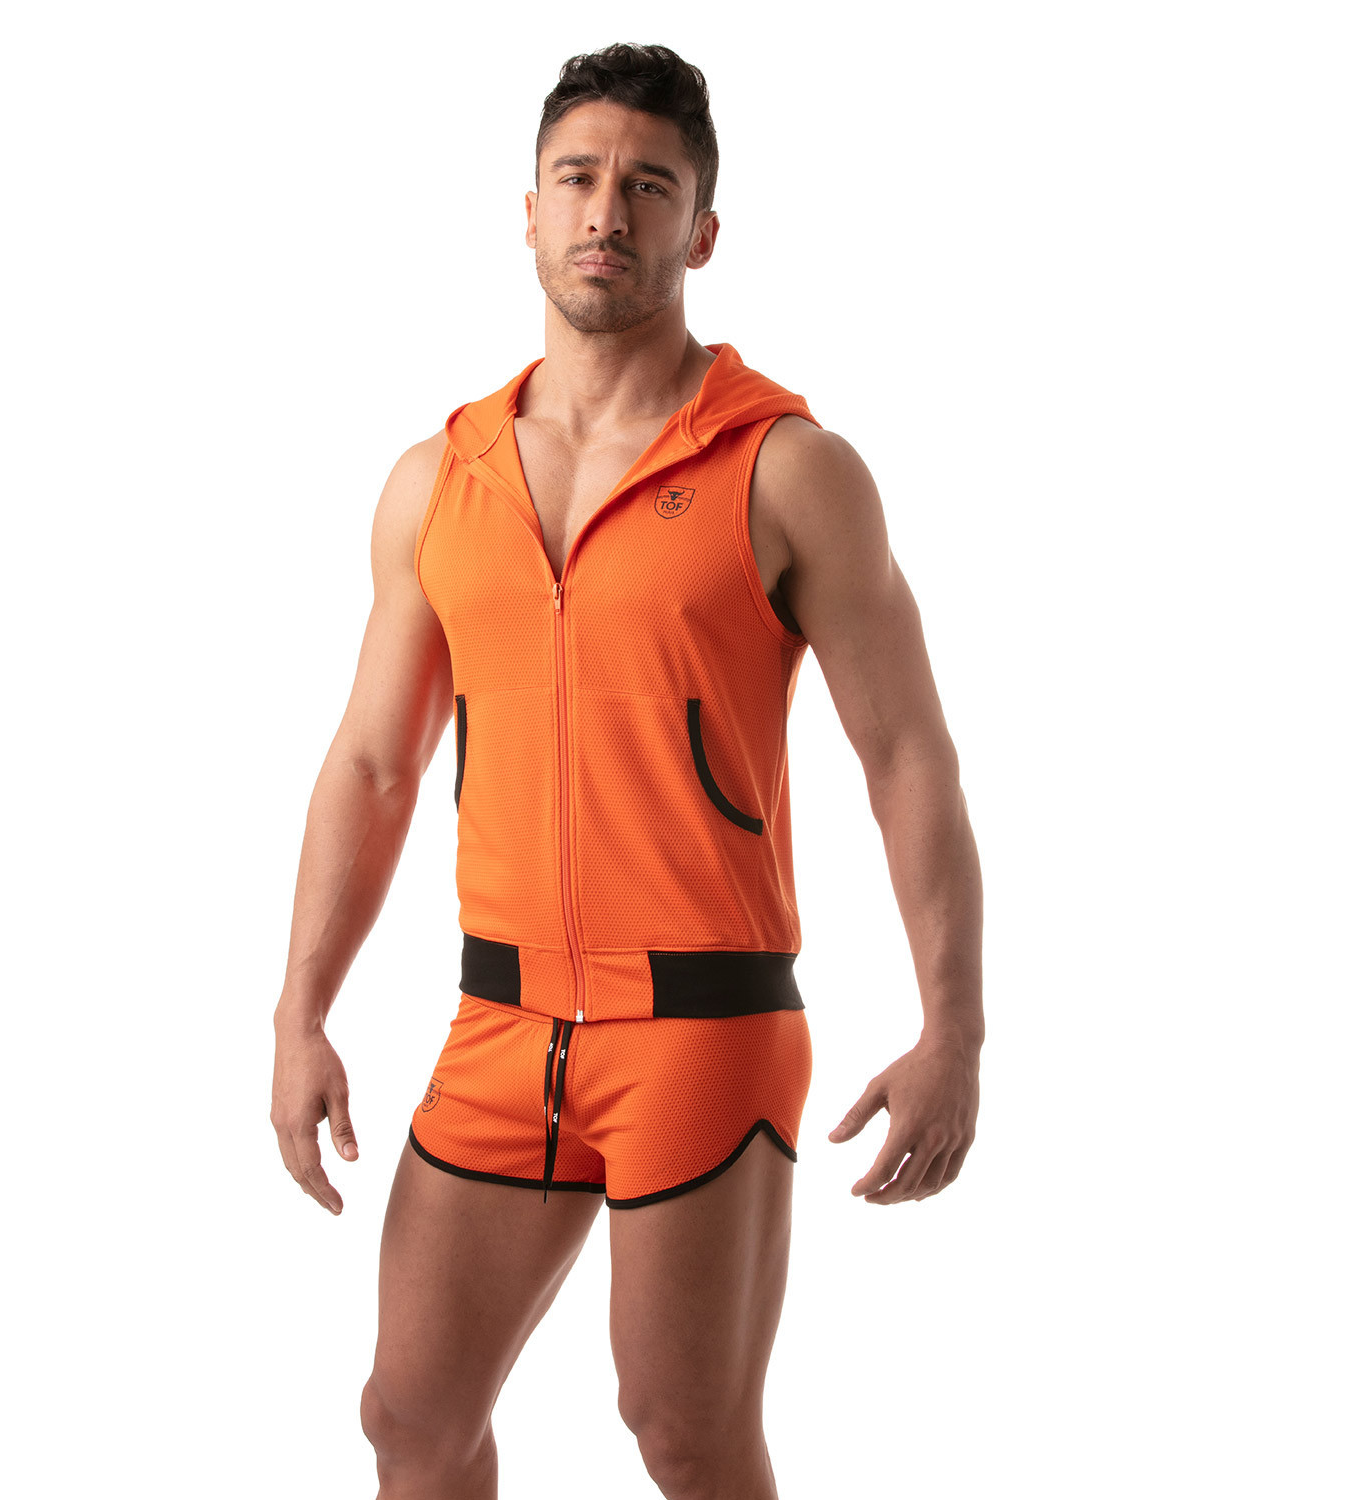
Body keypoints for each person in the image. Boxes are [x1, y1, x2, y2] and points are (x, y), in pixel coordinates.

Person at [270, 41, 983, 1500]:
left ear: (701, 232)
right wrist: (301, 1010)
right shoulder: (440, 477)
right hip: (501, 1021)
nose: (609, 210)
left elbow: (907, 755)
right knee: (408, 1417)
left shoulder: (788, 467)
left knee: (684, 1433)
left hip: (702, 1030)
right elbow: (374, 764)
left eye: (651, 186)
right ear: (528, 210)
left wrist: (953, 1030)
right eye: (580, 177)